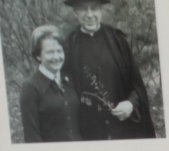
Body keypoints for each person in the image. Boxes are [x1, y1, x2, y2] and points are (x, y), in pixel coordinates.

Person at [61, 0, 153, 140]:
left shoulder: (118, 40)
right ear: (75, 12)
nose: (90, 15)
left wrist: (131, 104)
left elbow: (137, 85)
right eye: (83, 9)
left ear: (101, 10)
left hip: (124, 130)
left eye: (94, 8)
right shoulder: (68, 45)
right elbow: (64, 93)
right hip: (89, 133)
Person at [18, 27, 83, 143]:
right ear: (38, 55)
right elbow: (32, 136)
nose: (56, 57)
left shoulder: (69, 80)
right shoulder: (31, 87)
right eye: (50, 52)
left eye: (59, 51)